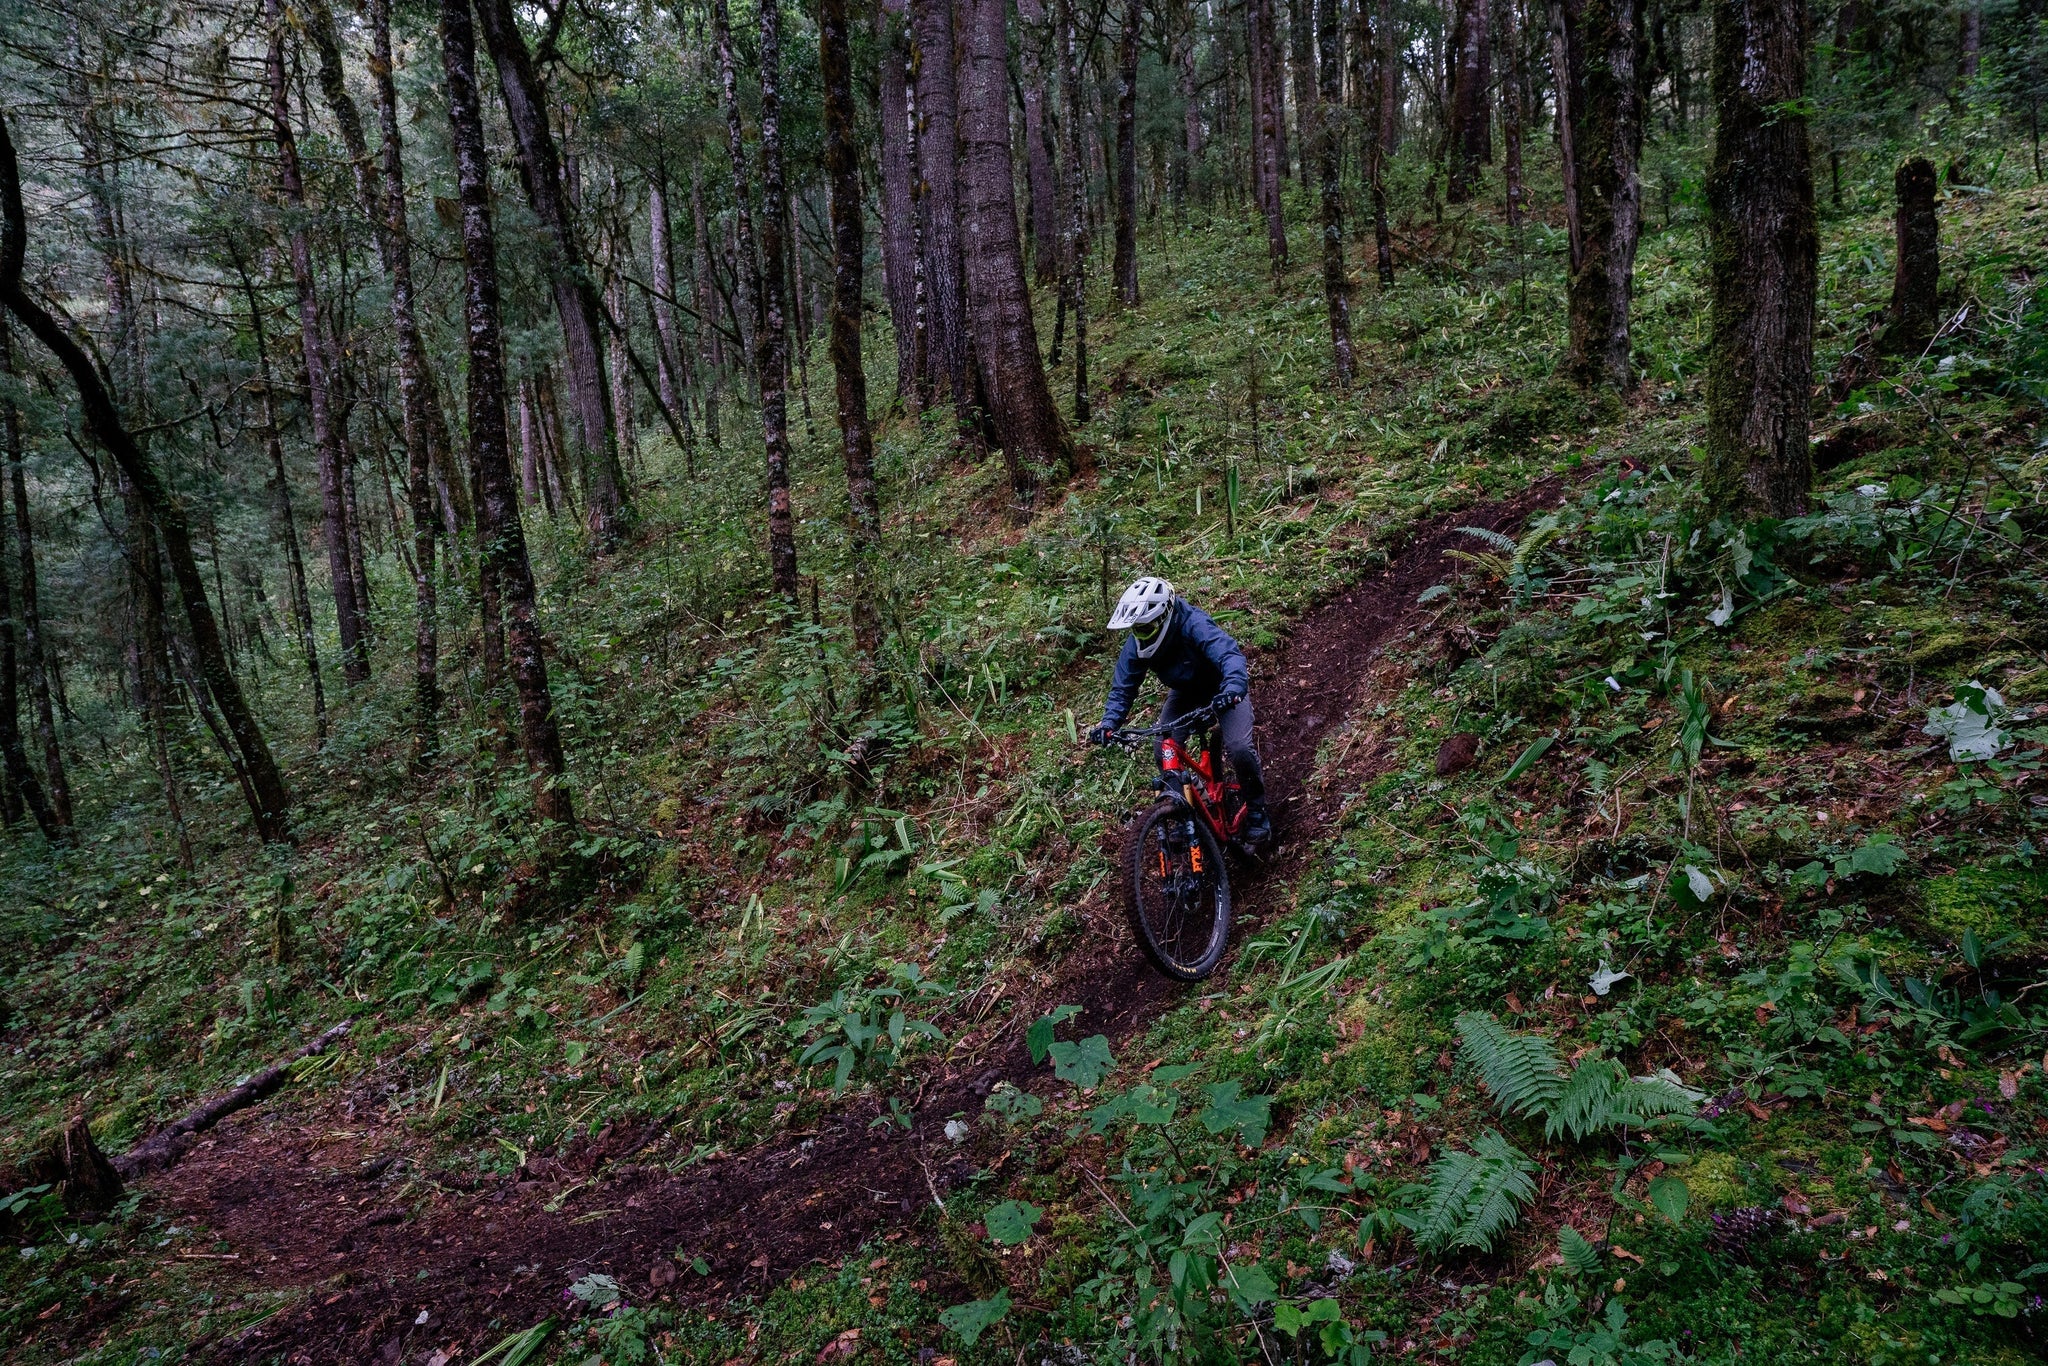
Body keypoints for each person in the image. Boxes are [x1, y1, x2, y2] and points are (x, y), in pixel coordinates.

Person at [1086, 576, 1270, 844]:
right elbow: (1123, 687)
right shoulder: (1137, 642)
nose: (1141, 633)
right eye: (1136, 628)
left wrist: (1232, 688)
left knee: (1239, 747)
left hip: (1223, 686)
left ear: (1163, 617)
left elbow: (1228, 654)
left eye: (1146, 627)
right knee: (1164, 749)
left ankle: (1257, 811)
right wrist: (1108, 724)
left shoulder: (1192, 623)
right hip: (1185, 692)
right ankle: (1188, 813)